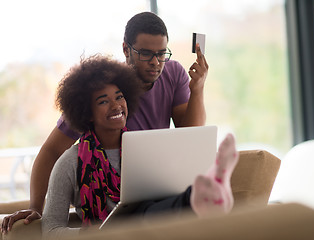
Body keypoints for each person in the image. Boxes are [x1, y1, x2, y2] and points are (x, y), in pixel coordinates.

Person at [0, 11, 208, 233]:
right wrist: (36, 208)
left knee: (167, 207)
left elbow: (190, 135)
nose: (156, 62)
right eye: (146, 53)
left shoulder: (173, 72)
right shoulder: (105, 87)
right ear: (126, 49)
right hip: (116, 203)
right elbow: (51, 151)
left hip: (154, 185)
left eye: (161, 53)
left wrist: (197, 90)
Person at [34, 55, 236, 239]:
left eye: (120, 97)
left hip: (149, 226)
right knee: (143, 216)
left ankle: (203, 193)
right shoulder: (70, 163)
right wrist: (89, 233)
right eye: (103, 101)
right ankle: (201, 195)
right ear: (87, 113)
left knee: (152, 210)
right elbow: (50, 230)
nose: (116, 106)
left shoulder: (143, 149)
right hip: (108, 233)